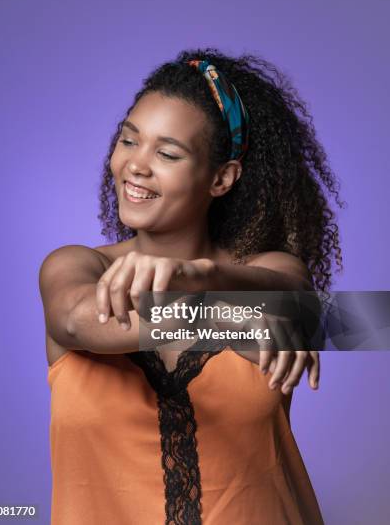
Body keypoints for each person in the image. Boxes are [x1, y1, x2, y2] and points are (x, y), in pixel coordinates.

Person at [39, 48, 343, 524]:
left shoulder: (270, 270)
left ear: (221, 178)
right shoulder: (76, 266)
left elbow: (331, 321)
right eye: (128, 141)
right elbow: (80, 321)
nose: (135, 166)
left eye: (166, 153)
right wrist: (223, 314)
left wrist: (199, 275)